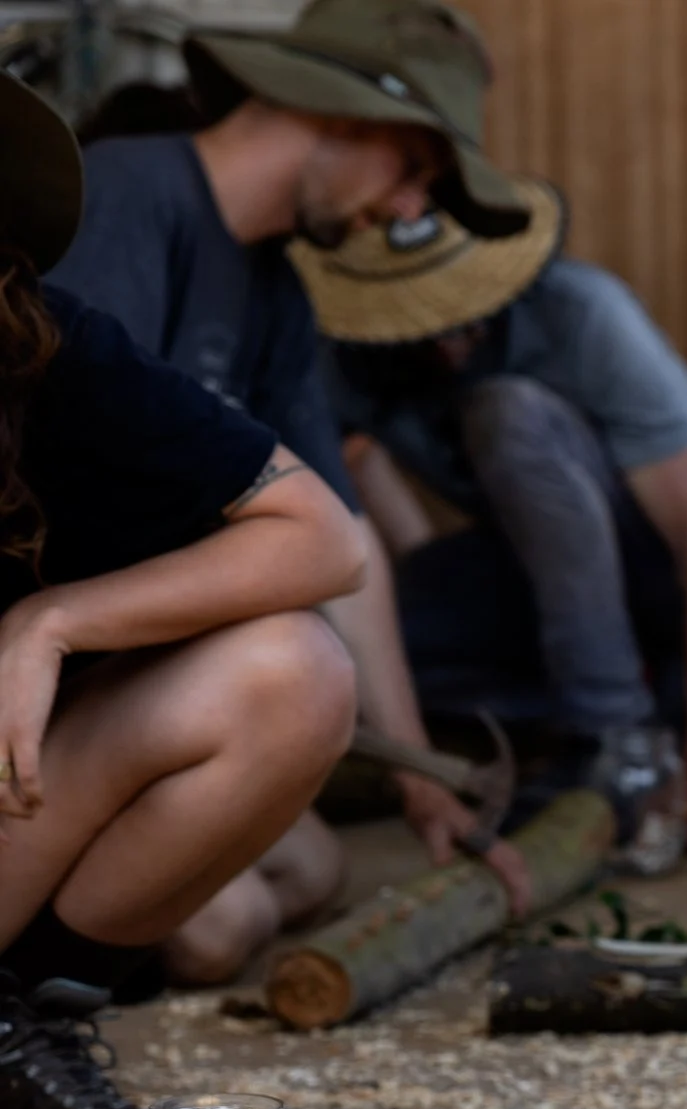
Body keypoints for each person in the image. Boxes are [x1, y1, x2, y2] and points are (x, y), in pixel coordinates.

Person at [46, 0, 532, 978]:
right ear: (341, 113)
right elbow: (62, 490)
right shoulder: (130, 196)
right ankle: (36, 972)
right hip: (45, 670)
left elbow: (345, 545)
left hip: (134, 672)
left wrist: (419, 783)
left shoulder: (274, 287)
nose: (408, 212)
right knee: (216, 926)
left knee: (309, 868)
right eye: (411, 170)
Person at [0, 72, 362, 1109]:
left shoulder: (49, 351)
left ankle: (19, 1028)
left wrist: (50, 621)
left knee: (292, 670)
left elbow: (324, 537)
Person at [293, 178, 687, 796]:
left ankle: (613, 733)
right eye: (420, 320)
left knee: (508, 416)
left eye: (460, 312)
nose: (447, 341)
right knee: (332, 646)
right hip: (545, 570)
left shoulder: (583, 312)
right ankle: (606, 701)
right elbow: (356, 476)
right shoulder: (351, 355)